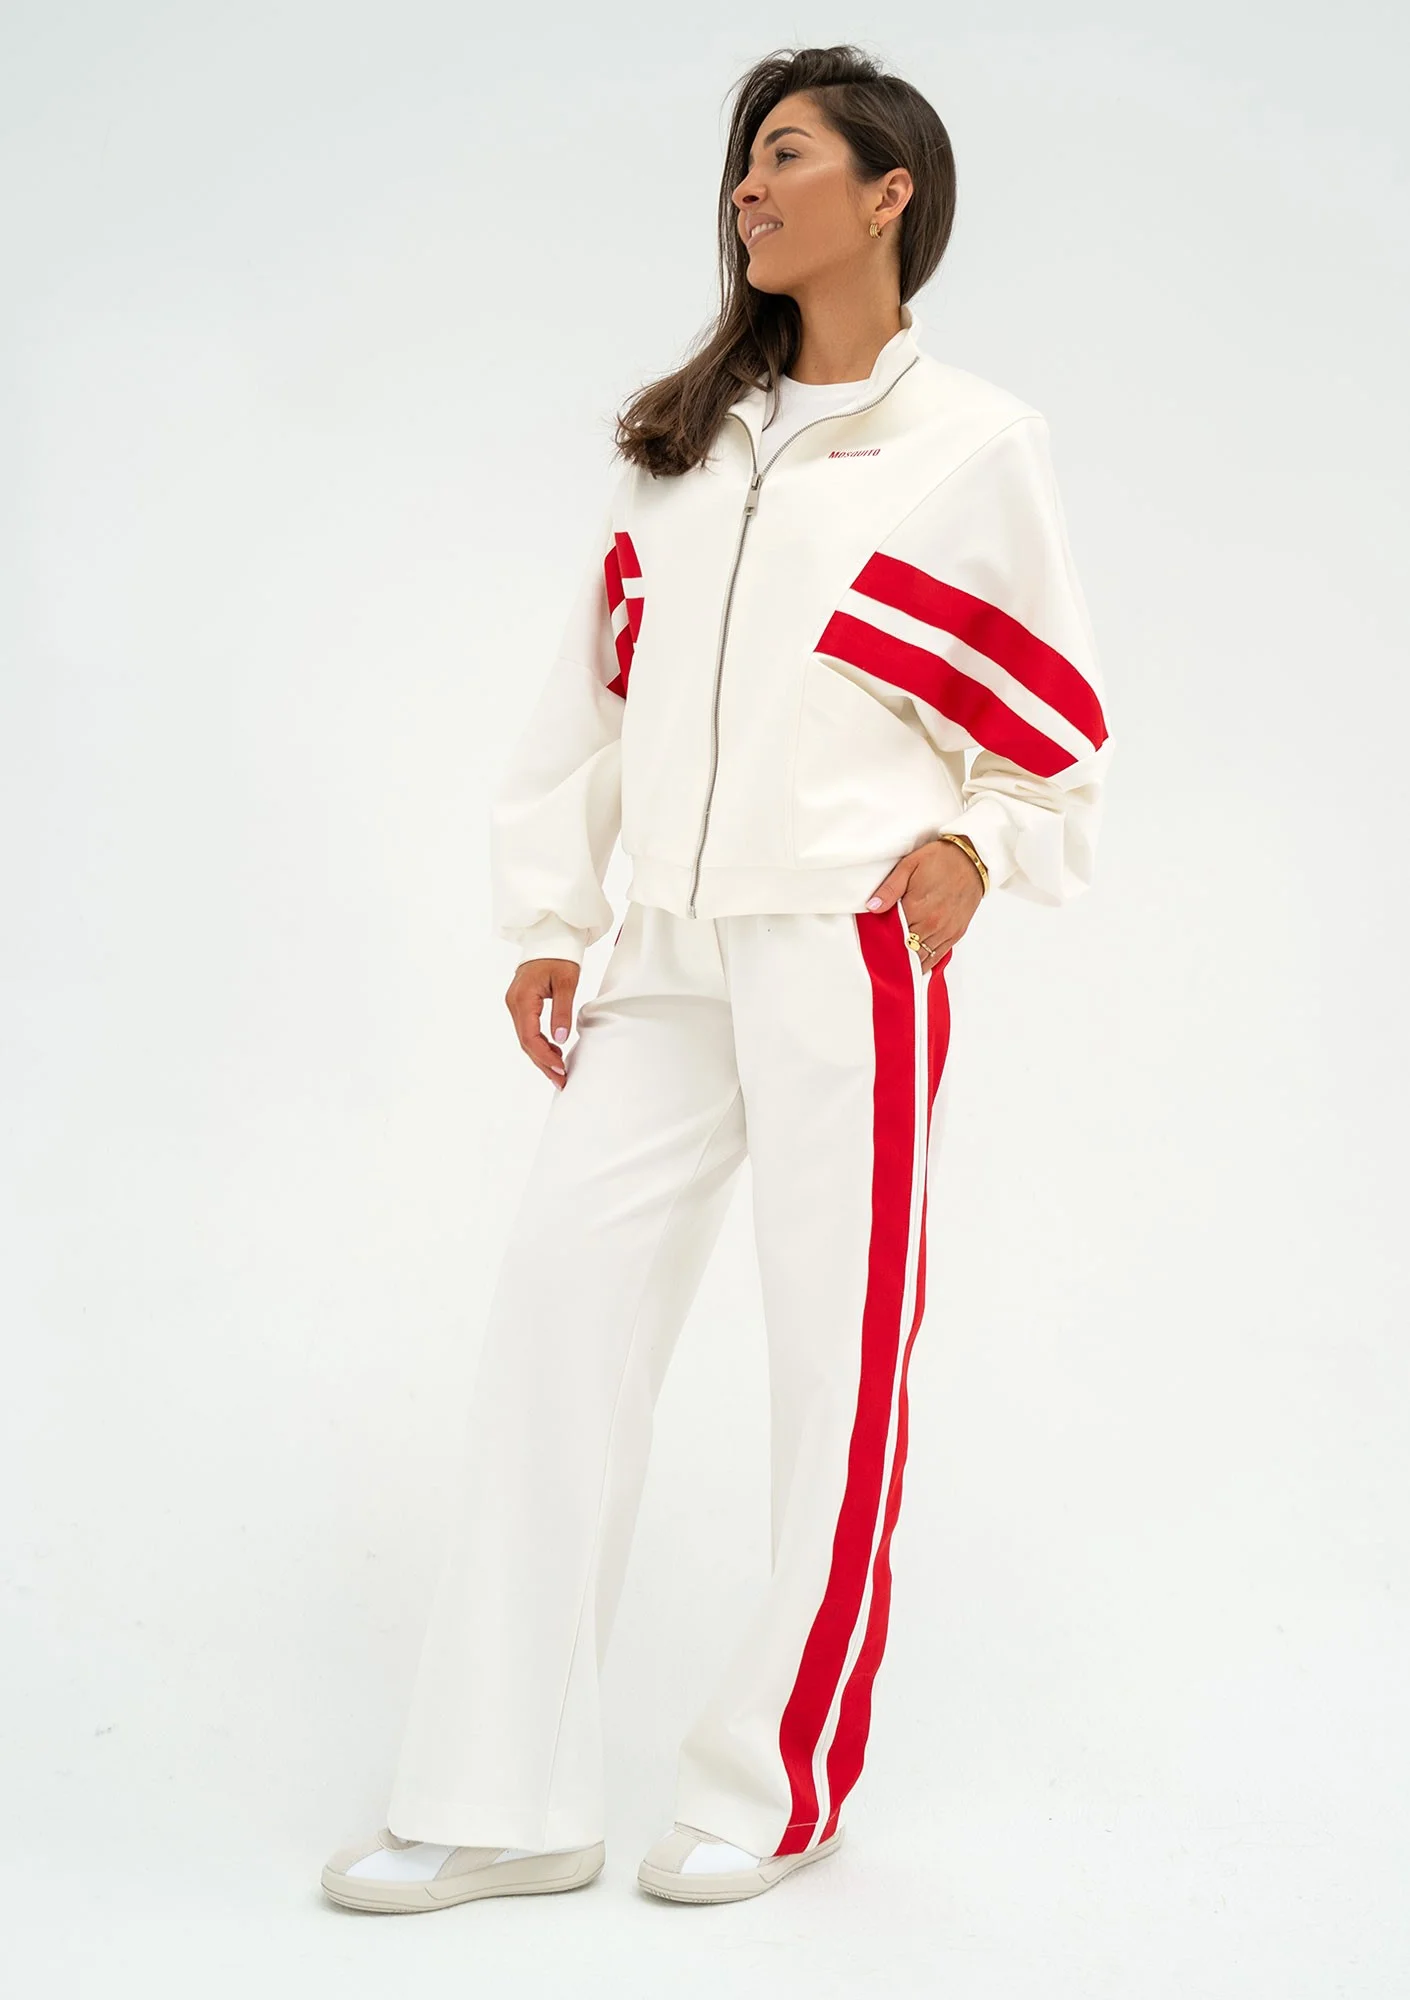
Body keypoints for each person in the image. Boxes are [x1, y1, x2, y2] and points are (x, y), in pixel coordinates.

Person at [321, 43, 1113, 1914]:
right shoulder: (680, 445)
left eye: (787, 154)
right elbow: (585, 701)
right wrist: (549, 917)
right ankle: (503, 1800)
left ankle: (781, 1784)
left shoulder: (970, 445)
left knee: (836, 1368)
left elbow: (1051, 727)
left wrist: (975, 847)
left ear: (889, 192)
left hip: (843, 940)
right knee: (556, 1326)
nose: (748, 187)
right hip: (664, 951)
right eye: (743, 160)